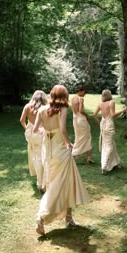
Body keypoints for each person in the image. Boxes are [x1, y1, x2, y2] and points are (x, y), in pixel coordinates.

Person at [33, 85, 90, 235]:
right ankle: (41, 216)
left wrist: (47, 133)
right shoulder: (63, 109)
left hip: (48, 152)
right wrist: (68, 143)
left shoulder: (41, 110)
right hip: (61, 151)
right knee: (59, 185)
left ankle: (69, 217)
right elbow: (63, 129)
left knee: (64, 182)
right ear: (64, 96)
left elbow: (35, 130)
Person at [20, 90, 47, 193]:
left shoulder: (27, 106)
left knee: (35, 155)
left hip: (30, 133)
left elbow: (21, 120)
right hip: (40, 132)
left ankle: (40, 178)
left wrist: (27, 128)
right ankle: (41, 183)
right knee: (40, 157)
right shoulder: (44, 108)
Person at [93, 89, 126, 174]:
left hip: (103, 124)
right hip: (108, 124)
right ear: (109, 95)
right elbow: (112, 115)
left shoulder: (100, 104)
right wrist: (122, 111)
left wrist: (99, 122)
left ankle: (115, 162)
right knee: (109, 146)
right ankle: (104, 165)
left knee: (110, 143)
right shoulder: (111, 102)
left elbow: (94, 114)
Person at [71, 85, 93, 163]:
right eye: (84, 92)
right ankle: (74, 154)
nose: (85, 94)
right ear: (81, 91)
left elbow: (74, 110)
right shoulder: (81, 98)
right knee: (87, 136)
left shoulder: (73, 98)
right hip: (81, 119)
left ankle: (89, 157)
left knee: (78, 137)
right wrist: (86, 115)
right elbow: (80, 110)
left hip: (75, 119)